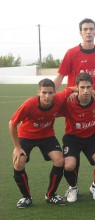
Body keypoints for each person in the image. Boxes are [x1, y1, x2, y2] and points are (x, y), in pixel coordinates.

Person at [53, 18, 95, 191]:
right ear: (80, 32)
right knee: (73, 152)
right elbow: (61, 75)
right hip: (76, 106)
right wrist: (51, 96)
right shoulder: (72, 53)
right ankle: (74, 186)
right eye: (85, 29)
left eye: (91, 29)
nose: (88, 32)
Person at [9, 79, 71, 208]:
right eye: (44, 93)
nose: (47, 96)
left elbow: (72, 89)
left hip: (47, 136)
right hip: (26, 136)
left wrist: (92, 92)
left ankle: (51, 195)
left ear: (55, 92)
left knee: (59, 160)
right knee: (19, 162)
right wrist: (17, 147)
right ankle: (26, 197)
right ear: (38, 92)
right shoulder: (29, 104)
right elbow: (12, 124)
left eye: (50, 93)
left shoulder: (59, 98)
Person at [60, 73, 95, 202]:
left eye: (88, 87)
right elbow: (53, 106)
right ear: (77, 87)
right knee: (68, 166)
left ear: (93, 87)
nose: (85, 91)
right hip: (72, 138)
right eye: (82, 87)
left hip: (91, 138)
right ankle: (73, 188)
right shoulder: (69, 101)